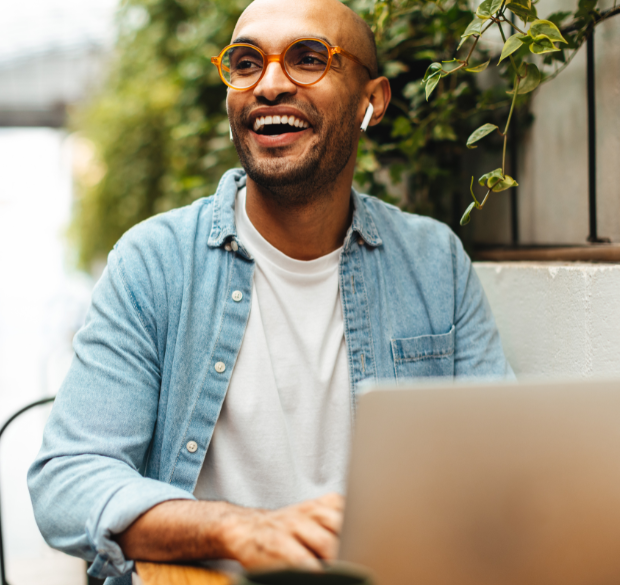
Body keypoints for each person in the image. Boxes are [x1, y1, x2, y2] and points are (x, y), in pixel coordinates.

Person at [28, 0, 512, 581]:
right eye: (246, 62)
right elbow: (69, 479)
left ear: (372, 101)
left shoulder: (434, 262)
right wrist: (238, 528)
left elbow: (497, 470)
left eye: (310, 59)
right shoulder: (154, 263)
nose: (270, 84)